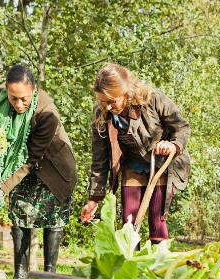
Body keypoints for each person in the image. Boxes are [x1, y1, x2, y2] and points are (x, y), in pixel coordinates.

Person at [0, 64, 77, 279]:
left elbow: (29, 159)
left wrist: (2, 187)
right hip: (19, 168)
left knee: (53, 221)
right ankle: (20, 277)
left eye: (24, 99)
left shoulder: (47, 113)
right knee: (19, 217)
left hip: (53, 171)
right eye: (13, 98)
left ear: (34, 89)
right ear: (6, 90)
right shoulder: (1, 97)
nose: (18, 104)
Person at [80, 63, 190, 243]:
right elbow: (100, 159)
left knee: (157, 221)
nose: (108, 107)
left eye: (112, 101)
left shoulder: (152, 99)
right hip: (132, 164)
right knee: (129, 223)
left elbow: (182, 127)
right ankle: (131, 259)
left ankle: (159, 259)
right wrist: (94, 199)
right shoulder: (101, 113)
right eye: (103, 101)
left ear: (126, 92)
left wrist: (173, 145)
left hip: (160, 163)